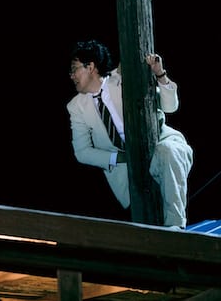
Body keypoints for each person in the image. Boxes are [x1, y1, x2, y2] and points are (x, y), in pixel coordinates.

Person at [66, 39, 193, 229]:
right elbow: (82, 152)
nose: (71, 76)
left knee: (168, 150)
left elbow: (170, 107)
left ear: (90, 67)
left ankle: (175, 229)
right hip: (127, 169)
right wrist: (119, 158)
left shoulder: (123, 77)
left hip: (161, 144)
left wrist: (160, 74)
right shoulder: (76, 106)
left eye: (74, 69)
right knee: (147, 219)